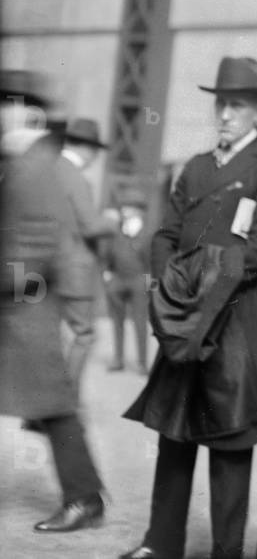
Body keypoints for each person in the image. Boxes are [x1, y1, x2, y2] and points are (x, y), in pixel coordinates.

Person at [121, 57, 257, 559]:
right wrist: (171, 290)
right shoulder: (194, 167)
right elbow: (164, 235)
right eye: (220, 103)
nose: (224, 114)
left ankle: (226, 552)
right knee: (174, 439)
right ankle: (161, 544)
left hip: (235, 325)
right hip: (184, 323)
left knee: (229, 447)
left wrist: (204, 282)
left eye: (236, 105)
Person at [0, 71, 107, 532]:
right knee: (53, 405)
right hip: (21, 307)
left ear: (29, 111)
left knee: (56, 406)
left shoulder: (35, 163)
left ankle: (84, 497)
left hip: (26, 309)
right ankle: (84, 496)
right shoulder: (23, 159)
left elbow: (36, 247)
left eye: (7, 102)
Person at [54, 117, 120, 398]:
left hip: (48, 269)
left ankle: (41, 406)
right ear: (88, 148)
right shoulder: (76, 177)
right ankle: (62, 406)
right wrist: (112, 219)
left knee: (52, 337)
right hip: (74, 270)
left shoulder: (53, 170)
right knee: (83, 335)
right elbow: (90, 225)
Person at [98, 184, 152, 374]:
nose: (125, 211)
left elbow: (152, 263)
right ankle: (118, 359)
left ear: (139, 210)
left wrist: (148, 285)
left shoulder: (148, 233)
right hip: (117, 280)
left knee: (140, 323)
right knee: (117, 321)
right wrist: (107, 274)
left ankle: (142, 363)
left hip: (138, 281)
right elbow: (105, 253)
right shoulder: (115, 230)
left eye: (130, 207)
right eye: (124, 207)